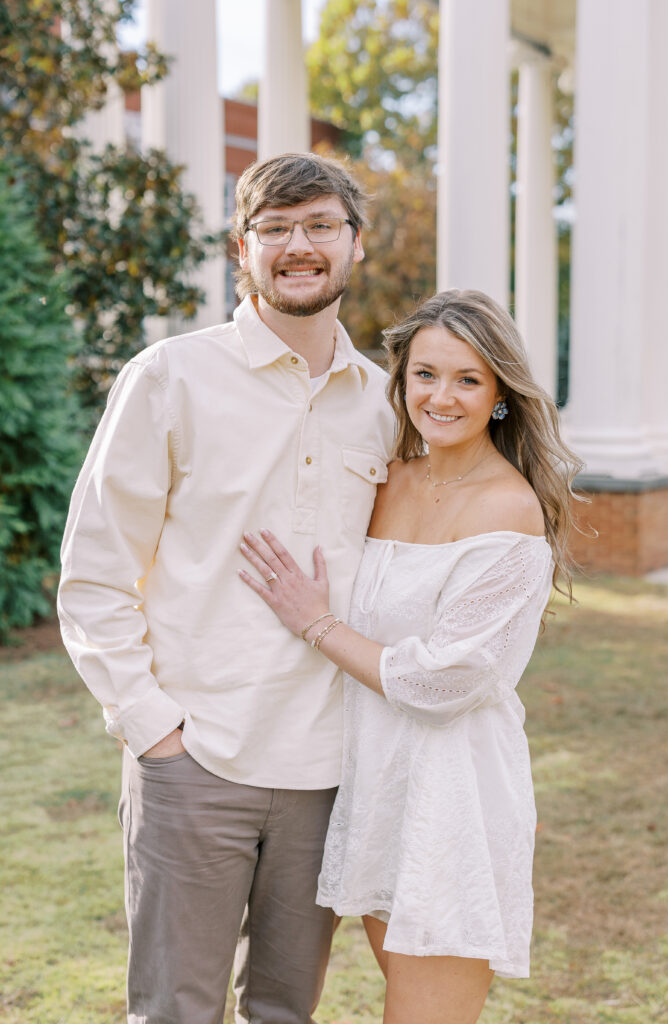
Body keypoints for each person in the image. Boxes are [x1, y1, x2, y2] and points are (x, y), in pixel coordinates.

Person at [57, 152, 395, 1024]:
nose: (298, 245)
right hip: (195, 758)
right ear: (241, 248)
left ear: (355, 244)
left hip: (328, 765)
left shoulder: (385, 403)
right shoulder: (169, 377)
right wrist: (152, 730)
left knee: (286, 1011)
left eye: (320, 225)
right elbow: (95, 574)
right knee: (175, 1010)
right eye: (274, 229)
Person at [239, 289, 582, 1024]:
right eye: (424, 375)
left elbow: (443, 680)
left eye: (466, 379)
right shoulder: (385, 482)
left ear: (498, 394)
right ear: (400, 383)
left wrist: (317, 624)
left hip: (451, 793)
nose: (441, 396)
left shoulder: (509, 509)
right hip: (375, 784)